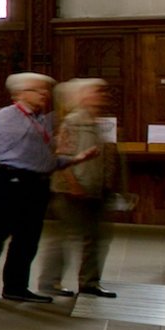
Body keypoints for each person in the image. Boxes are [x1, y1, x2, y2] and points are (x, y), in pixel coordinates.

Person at [0, 71, 88, 304]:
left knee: (27, 239)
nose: (45, 94)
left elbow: (44, 158)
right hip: (11, 181)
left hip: (35, 183)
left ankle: (16, 286)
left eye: (46, 90)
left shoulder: (38, 119)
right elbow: (16, 154)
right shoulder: (7, 116)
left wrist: (74, 159)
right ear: (19, 93)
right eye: (38, 89)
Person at [34, 78, 120, 299]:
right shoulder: (73, 121)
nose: (102, 95)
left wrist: (110, 185)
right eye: (96, 92)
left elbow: (109, 156)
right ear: (82, 96)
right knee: (66, 236)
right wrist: (73, 184)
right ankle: (50, 282)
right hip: (72, 190)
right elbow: (62, 154)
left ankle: (90, 282)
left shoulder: (99, 122)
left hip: (96, 189)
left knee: (97, 237)